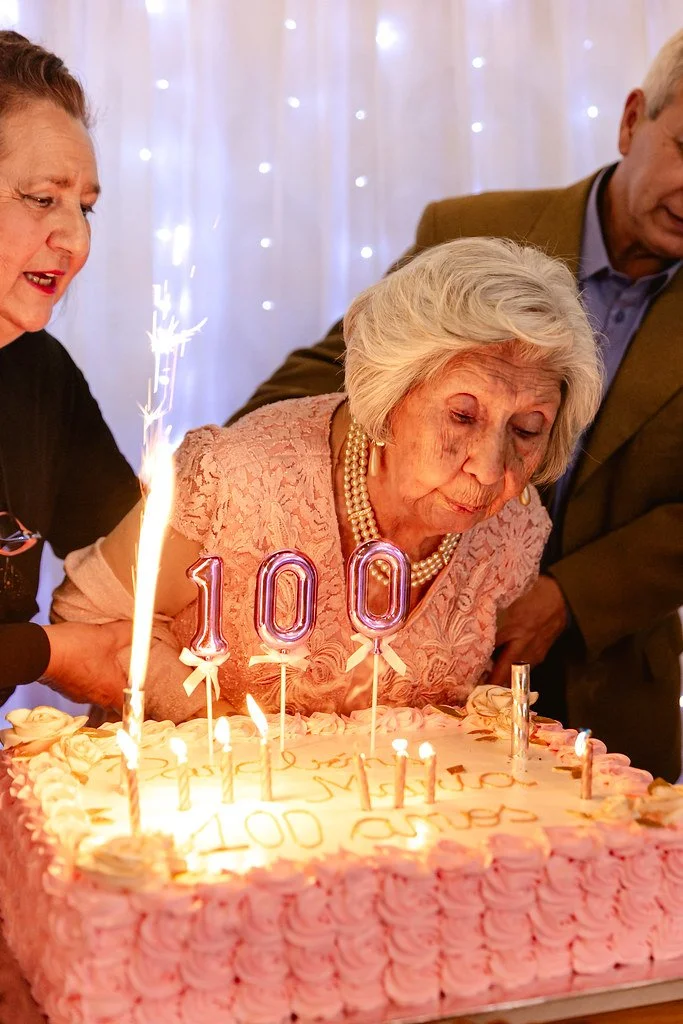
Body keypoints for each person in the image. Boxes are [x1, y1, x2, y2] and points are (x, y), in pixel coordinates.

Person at [228, 30, 683, 781]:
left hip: (609, 676)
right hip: (414, 660)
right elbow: (345, 367)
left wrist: (570, 595)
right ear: (633, 119)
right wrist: (250, 479)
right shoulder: (470, 230)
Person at [52, 238, 601, 724]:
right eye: (461, 417)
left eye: (527, 429)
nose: (489, 468)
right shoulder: (239, 479)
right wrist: (216, 725)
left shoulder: (514, 526)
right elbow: (88, 616)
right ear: (387, 395)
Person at [0, 31, 140, 708]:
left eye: (84, 207)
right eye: (42, 198)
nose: (76, 240)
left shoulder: (39, 370)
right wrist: (46, 653)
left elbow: (124, 554)